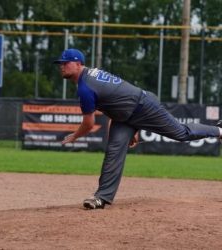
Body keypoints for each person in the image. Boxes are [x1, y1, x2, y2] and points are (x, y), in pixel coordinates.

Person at [53, 48, 222, 210]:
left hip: (144, 107)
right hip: (126, 116)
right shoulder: (90, 76)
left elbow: (89, 124)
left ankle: (219, 130)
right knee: (114, 151)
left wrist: (74, 136)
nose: (62, 66)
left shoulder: (85, 87)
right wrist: (130, 127)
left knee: (181, 133)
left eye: (65, 62)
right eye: (60, 63)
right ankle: (101, 197)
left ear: (78, 64)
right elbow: (113, 98)